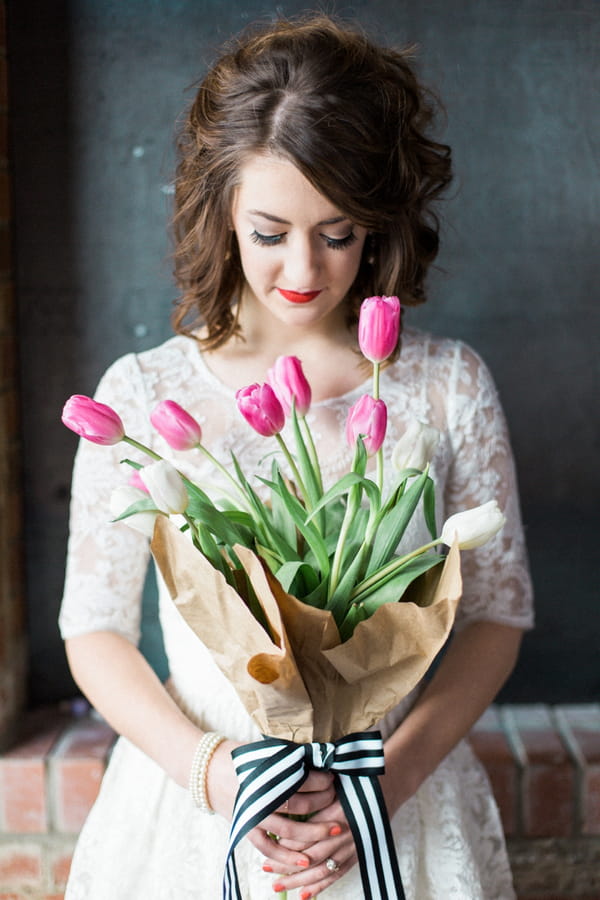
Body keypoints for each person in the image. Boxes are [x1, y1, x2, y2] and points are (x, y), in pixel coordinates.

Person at [59, 14, 534, 900]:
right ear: (221, 213)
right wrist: (216, 774)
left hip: (400, 798)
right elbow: (92, 629)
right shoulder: (142, 393)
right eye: (270, 232)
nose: (304, 270)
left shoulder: (446, 385)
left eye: (339, 231)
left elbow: (498, 619)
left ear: (380, 223)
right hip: (195, 804)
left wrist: (382, 784)